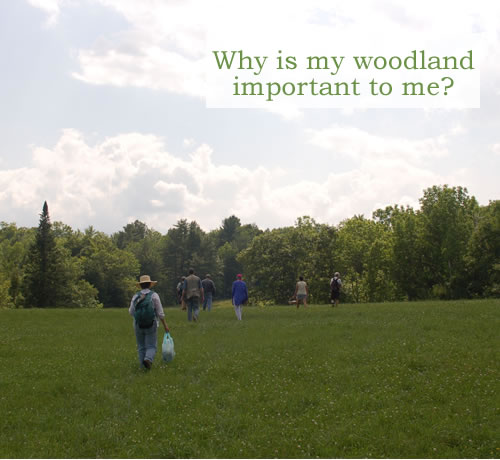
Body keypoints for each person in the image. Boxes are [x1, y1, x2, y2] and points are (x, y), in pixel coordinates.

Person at [129, 275, 170, 370]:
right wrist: (165, 325)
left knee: (141, 346)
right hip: (152, 324)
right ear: (150, 284)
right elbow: (160, 313)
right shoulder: (154, 295)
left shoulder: (136, 296)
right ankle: (148, 359)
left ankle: (142, 366)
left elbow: (131, 312)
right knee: (151, 345)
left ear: (140, 285)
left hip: (138, 324)